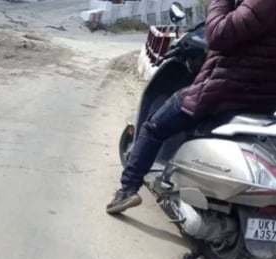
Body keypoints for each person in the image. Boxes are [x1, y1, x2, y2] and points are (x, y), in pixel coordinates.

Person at [106, 0, 276, 214]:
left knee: (154, 127)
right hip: (263, 100)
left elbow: (217, 34)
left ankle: (127, 190)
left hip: (224, 92)